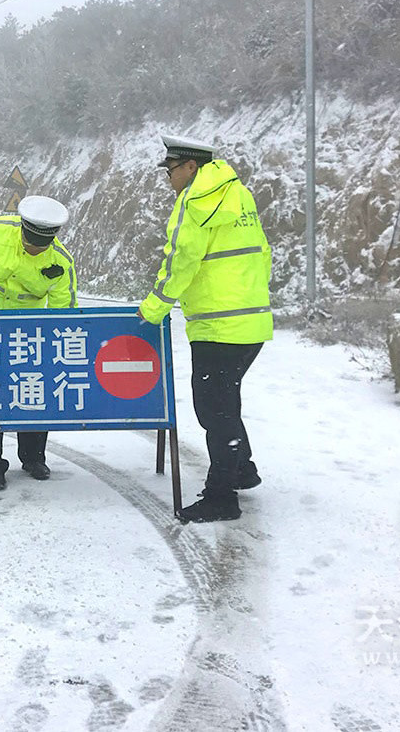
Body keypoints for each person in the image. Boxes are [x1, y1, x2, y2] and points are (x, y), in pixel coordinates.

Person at [137, 135, 273, 524]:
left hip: (217, 324)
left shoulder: (194, 202)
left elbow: (180, 262)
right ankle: (241, 469)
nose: (168, 177)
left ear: (191, 167)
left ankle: (221, 496)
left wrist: (153, 308)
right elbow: (262, 253)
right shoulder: (239, 195)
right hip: (251, 321)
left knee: (214, 409)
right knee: (226, 400)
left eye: (172, 169)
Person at [0, 195, 77, 491]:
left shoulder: (61, 262)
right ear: (22, 229)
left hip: (30, 335)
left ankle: (34, 458)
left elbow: (65, 309)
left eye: (40, 247)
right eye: (28, 243)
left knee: (33, 391)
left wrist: (55, 340)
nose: (33, 250)